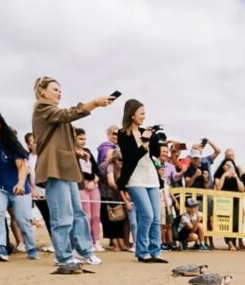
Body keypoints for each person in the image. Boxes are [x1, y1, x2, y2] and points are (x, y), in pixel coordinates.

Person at [31, 76, 113, 267]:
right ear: (42, 91)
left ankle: (84, 251)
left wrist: (77, 151)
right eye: (55, 89)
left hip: (66, 167)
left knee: (78, 213)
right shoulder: (42, 108)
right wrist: (94, 103)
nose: (59, 92)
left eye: (60, 89)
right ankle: (63, 256)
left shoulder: (53, 112)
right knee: (63, 215)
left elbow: (58, 137)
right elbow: (68, 115)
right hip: (54, 168)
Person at [0, 106, 38, 262]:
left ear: (0, 123)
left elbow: (22, 166)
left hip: (17, 187)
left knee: (23, 220)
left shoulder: (9, 142)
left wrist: (20, 183)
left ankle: (31, 247)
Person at [116, 98, 167, 263]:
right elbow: (130, 158)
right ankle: (142, 251)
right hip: (134, 178)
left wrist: (153, 136)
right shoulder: (123, 134)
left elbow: (156, 152)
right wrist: (143, 142)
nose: (144, 116)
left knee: (156, 217)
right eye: (142, 113)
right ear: (132, 114)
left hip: (151, 176)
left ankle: (155, 251)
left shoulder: (146, 131)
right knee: (147, 215)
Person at [74, 128, 102, 251]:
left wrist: (94, 179)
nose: (83, 141)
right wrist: (89, 179)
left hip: (93, 185)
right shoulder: (73, 153)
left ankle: (96, 240)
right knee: (86, 215)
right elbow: (78, 171)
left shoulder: (88, 152)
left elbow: (96, 169)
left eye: (84, 139)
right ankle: (86, 241)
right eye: (80, 139)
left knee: (96, 215)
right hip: (81, 185)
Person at [98, 148, 131, 251]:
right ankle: (115, 243)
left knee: (119, 218)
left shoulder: (121, 167)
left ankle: (121, 242)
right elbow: (111, 182)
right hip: (106, 195)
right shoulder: (109, 167)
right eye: (120, 160)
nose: (121, 162)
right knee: (110, 219)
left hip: (116, 196)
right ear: (114, 159)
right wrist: (122, 190)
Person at [24, 132, 51, 239]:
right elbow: (26, 177)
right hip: (37, 194)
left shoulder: (47, 155)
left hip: (51, 191)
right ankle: (55, 243)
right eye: (34, 142)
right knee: (47, 217)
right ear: (29, 145)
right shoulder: (27, 158)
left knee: (57, 217)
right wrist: (32, 190)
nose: (37, 143)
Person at [214, 158, 245, 250]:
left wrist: (236, 177)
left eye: (231, 165)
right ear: (223, 166)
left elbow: (242, 189)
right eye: (227, 165)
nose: (229, 167)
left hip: (235, 202)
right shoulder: (219, 175)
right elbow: (218, 187)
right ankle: (230, 243)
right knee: (226, 223)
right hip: (224, 203)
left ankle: (233, 242)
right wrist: (224, 175)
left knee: (236, 222)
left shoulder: (237, 176)